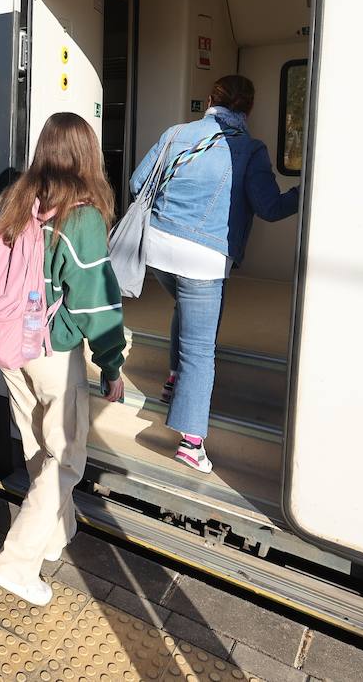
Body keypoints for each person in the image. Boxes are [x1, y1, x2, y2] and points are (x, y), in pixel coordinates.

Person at [0, 113, 127, 606]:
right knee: (65, 456)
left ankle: (53, 534)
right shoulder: (80, 215)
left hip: (11, 348)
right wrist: (111, 362)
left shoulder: (20, 200)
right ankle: (18, 562)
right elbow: (95, 303)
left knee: (37, 443)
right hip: (50, 350)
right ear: (88, 154)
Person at [129, 75, 299, 474]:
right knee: (200, 350)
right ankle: (190, 442)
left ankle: (173, 378)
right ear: (249, 108)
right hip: (204, 260)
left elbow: (139, 183)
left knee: (184, 310)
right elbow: (270, 208)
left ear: (210, 99)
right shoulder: (250, 149)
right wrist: (306, 189)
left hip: (158, 250)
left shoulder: (176, 133)